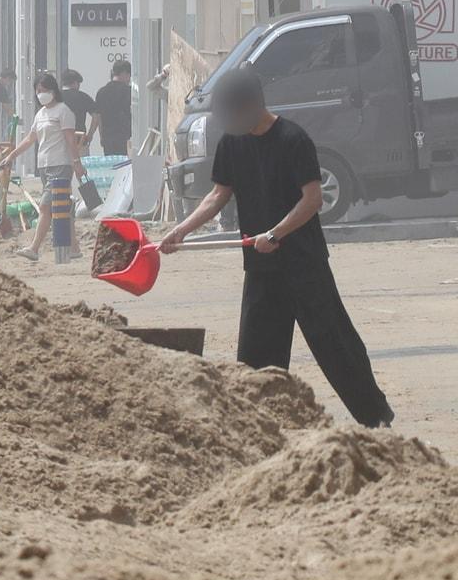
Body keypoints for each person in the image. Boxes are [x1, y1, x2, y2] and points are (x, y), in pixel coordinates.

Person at [160, 68, 393, 428]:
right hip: (261, 266)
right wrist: (182, 230)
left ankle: (375, 417)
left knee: (334, 343)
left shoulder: (292, 139)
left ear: (253, 105)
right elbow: (219, 194)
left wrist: (276, 233)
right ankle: (257, 425)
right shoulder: (232, 142)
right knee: (255, 354)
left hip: (304, 262)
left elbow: (313, 198)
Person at [0, 72, 86, 262]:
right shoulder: (41, 114)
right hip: (44, 165)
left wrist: (77, 163)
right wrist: (11, 156)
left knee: (45, 207)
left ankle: (34, 248)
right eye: (38, 91)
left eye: (44, 90)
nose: (41, 94)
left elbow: (70, 140)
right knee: (62, 207)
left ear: (53, 91)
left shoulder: (63, 111)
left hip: (60, 165)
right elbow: (30, 139)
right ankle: (75, 248)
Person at [91, 60, 133, 156]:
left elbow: (99, 117)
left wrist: (102, 136)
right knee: (125, 167)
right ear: (124, 73)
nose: (129, 79)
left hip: (107, 138)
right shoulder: (128, 91)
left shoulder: (101, 92)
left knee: (111, 167)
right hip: (124, 138)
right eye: (129, 75)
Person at [60, 69, 97, 148]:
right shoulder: (83, 97)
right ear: (76, 83)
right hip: (79, 139)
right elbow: (96, 115)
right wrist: (90, 135)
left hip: (59, 140)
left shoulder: (55, 97)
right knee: (81, 159)